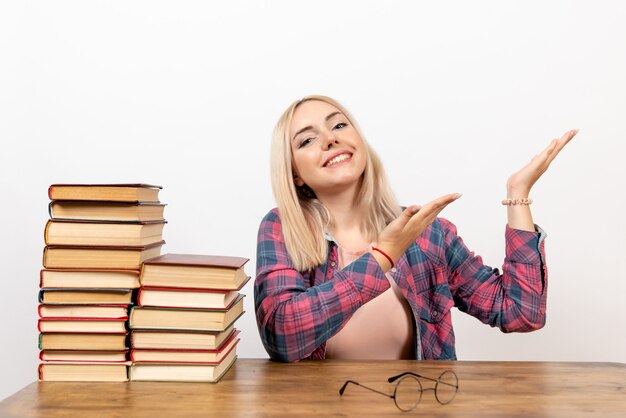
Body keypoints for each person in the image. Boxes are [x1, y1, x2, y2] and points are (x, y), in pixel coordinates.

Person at [254, 95, 576, 362]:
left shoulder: (427, 234)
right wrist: (382, 257)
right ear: (294, 172)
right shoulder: (281, 229)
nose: (330, 138)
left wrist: (517, 195)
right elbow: (282, 336)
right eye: (307, 139)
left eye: (339, 125)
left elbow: (521, 312)